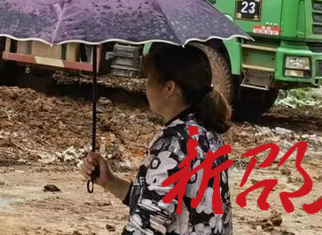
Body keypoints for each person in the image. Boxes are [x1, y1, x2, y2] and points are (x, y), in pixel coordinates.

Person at [80, 44, 234, 235]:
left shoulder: (173, 146)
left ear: (169, 88)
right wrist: (110, 181)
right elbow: (162, 203)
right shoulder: (209, 134)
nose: (146, 89)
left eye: (149, 81)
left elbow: (146, 226)